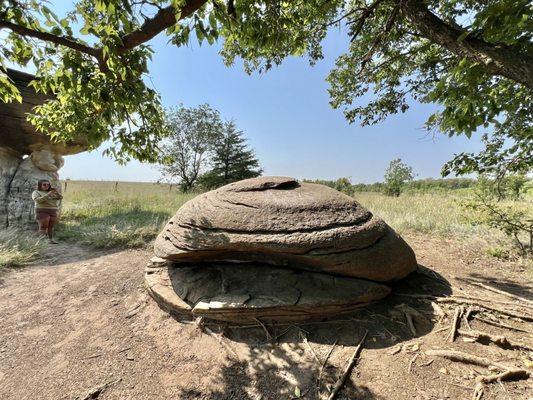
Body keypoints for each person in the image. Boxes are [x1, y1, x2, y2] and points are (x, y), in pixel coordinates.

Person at [32, 179, 63, 244]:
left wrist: (56, 192)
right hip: (42, 210)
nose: (47, 186)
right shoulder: (36, 192)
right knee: (43, 227)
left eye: (48, 184)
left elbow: (60, 197)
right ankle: (42, 241)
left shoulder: (52, 192)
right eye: (44, 184)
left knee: (51, 226)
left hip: (53, 210)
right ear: (40, 185)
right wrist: (48, 195)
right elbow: (38, 200)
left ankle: (50, 239)